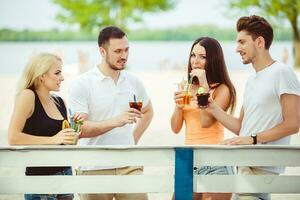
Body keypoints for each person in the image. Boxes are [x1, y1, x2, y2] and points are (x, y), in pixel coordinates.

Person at [206, 15, 300, 200]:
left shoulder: (282, 72)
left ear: (259, 41)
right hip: (243, 163)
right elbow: (242, 126)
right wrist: (212, 108)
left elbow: (293, 124)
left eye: (242, 42)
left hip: (262, 166)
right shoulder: (251, 81)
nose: (237, 48)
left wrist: (251, 139)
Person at [69, 26, 154, 200]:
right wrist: (116, 121)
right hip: (94, 169)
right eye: (117, 51)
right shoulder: (82, 84)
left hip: (130, 166)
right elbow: (79, 129)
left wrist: (133, 139)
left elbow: (148, 111)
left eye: (126, 50)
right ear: (102, 51)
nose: (124, 56)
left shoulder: (133, 81)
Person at [171, 37, 236, 200]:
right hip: (188, 159)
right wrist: (178, 107)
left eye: (203, 57)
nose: (195, 61)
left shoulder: (222, 89)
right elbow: (175, 128)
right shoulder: (186, 86)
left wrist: (204, 85)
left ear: (213, 60)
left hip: (215, 160)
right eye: (193, 55)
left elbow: (206, 122)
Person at [8, 52, 79, 200]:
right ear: (42, 76)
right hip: (39, 178)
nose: (62, 78)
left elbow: (62, 140)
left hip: (65, 174)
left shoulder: (60, 102)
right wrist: (53, 139)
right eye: (57, 73)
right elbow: (13, 138)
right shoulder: (28, 96)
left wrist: (73, 134)